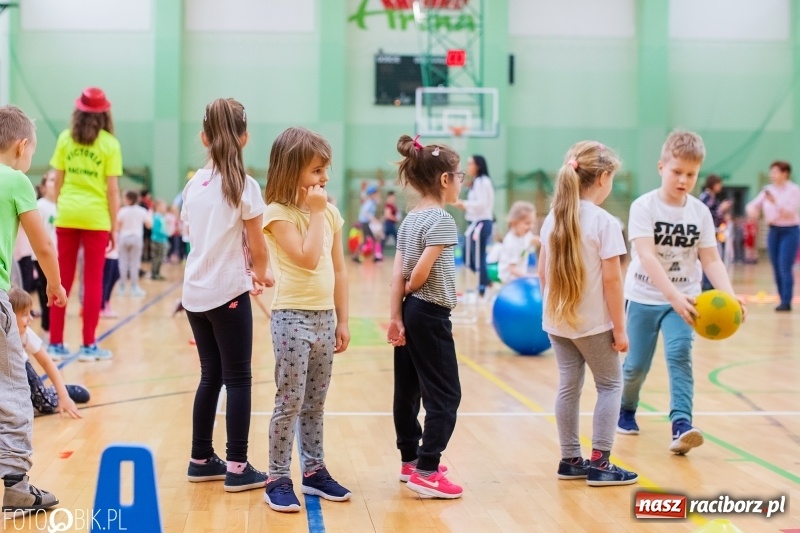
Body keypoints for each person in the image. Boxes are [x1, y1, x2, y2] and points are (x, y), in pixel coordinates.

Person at [617, 130, 746, 454]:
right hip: (645, 296)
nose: (683, 180)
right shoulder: (643, 206)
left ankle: (682, 424)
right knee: (635, 367)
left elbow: (711, 258)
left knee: (679, 356)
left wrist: (729, 296)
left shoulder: (700, 212)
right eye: (677, 172)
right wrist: (671, 296)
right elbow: (645, 256)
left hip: (688, 298)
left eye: (691, 174)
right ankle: (626, 409)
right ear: (662, 167)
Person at [182, 98, 272, 493]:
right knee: (238, 379)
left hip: (195, 295)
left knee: (211, 376)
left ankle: (201, 459)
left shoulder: (193, 185)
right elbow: (257, 243)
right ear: (245, 138)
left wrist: (243, 268)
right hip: (227, 294)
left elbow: (200, 237)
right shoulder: (245, 186)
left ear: (204, 138)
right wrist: (262, 274)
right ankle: (237, 466)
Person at [261, 126, 351, 512]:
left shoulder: (329, 213)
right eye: (316, 171)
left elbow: (339, 270)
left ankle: (314, 471)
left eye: (325, 170)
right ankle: (278, 477)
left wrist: (343, 320)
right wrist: (315, 213)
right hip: (291, 319)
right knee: (290, 401)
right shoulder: (277, 214)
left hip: (324, 319)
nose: (324, 178)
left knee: (315, 402)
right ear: (291, 169)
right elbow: (308, 257)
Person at [538, 142, 637, 487]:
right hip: (593, 324)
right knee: (610, 385)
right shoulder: (604, 222)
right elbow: (612, 280)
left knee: (569, 385)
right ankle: (600, 463)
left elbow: (543, 272)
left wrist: (550, 311)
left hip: (558, 322)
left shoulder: (554, 217)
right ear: (604, 177)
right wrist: (620, 329)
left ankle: (570, 460)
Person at [387, 134, 464, 499]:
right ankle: (428, 469)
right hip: (430, 313)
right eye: (459, 175)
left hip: (410, 311)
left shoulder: (409, 219)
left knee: (408, 389)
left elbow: (397, 274)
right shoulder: (443, 220)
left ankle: (411, 459)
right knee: (445, 395)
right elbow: (417, 275)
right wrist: (412, 296)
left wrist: (396, 316)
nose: (461, 181)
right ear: (445, 180)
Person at [0, 104, 67, 512]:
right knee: (11, 390)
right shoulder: (16, 181)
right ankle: (14, 484)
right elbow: (43, 243)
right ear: (22, 146)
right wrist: (55, 284)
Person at [47, 87, 121, 361]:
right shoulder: (110, 145)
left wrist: (60, 207)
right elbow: (112, 191)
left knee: (60, 279)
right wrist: (114, 226)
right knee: (93, 282)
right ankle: (89, 345)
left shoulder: (65, 139)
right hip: (96, 218)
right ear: (105, 114)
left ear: (78, 111)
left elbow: (57, 180)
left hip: (67, 215)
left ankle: (55, 343)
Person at [9, 288, 89, 417]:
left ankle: (59, 391)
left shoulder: (26, 334)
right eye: (24, 314)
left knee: (46, 404)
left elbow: (46, 362)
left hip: (21, 368)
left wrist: (63, 396)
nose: (30, 318)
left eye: (30, 313)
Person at [746, 161, 800, 311]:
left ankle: (786, 301)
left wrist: (775, 202)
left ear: (785, 173)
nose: (772, 175)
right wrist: (752, 211)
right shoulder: (767, 190)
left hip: (789, 230)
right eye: (771, 172)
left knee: (784, 266)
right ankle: (781, 298)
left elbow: (790, 211)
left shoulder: (794, 190)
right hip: (773, 231)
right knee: (776, 267)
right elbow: (752, 205)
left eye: (776, 172)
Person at [455, 154, 495, 296]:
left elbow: (482, 204)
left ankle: (483, 286)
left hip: (482, 223)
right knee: (467, 256)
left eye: (470, 163)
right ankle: (486, 280)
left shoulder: (483, 181)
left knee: (479, 256)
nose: (468, 166)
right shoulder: (476, 182)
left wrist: (464, 204)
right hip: (474, 223)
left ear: (478, 165)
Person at [33, 171, 58, 333]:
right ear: (43, 186)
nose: (55, 182)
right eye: (51, 180)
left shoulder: (62, 206)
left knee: (58, 295)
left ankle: (55, 330)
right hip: (42, 256)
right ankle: (47, 329)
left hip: (59, 257)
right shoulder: (40, 205)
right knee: (46, 294)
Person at [698, 174, 732, 290]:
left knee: (716, 257)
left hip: (715, 232)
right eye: (719, 183)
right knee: (709, 257)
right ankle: (708, 284)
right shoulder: (705, 197)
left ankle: (712, 284)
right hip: (707, 233)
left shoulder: (712, 197)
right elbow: (706, 214)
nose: (720, 186)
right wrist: (720, 209)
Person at [116, 190, 151, 297]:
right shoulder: (142, 211)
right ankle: (134, 287)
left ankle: (121, 287)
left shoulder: (122, 211)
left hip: (124, 238)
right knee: (134, 264)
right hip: (136, 238)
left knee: (123, 263)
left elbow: (118, 225)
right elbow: (149, 225)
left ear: (128, 199)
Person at [498, 201, 540, 284]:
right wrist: (530, 277)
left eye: (533, 223)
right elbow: (512, 269)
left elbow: (534, 240)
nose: (531, 227)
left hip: (519, 277)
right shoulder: (511, 242)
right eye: (527, 223)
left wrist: (547, 242)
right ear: (515, 223)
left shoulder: (525, 234)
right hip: (509, 280)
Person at [354, 185, 383, 262]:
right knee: (374, 238)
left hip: (366, 223)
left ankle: (375, 256)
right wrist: (373, 220)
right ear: (371, 195)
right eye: (375, 193)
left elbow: (378, 202)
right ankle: (376, 256)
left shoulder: (372, 202)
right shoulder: (369, 203)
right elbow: (365, 213)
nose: (376, 195)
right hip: (365, 223)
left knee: (371, 239)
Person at [150, 200, 169, 280]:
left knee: (160, 258)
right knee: (157, 257)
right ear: (158, 207)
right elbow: (157, 230)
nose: (165, 209)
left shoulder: (162, 217)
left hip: (162, 240)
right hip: (157, 240)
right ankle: (154, 273)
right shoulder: (156, 217)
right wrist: (166, 234)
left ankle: (157, 273)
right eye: (163, 207)